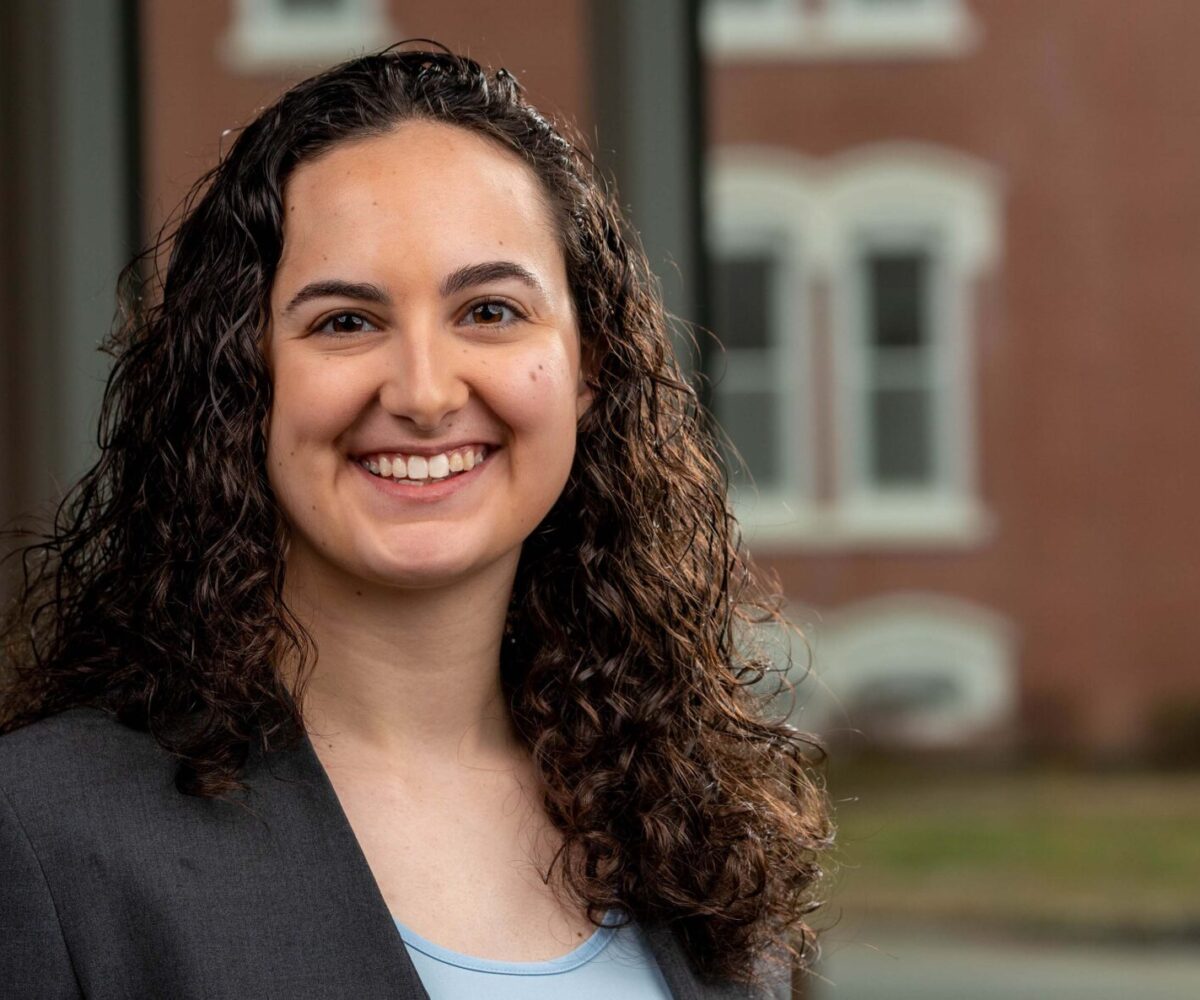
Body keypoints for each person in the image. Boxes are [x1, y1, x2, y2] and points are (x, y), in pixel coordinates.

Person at [0, 44, 833, 999]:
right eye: (346, 322)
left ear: (587, 369)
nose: (427, 393)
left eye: (489, 310)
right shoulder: (43, 837)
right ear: (244, 380)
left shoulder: (689, 828)